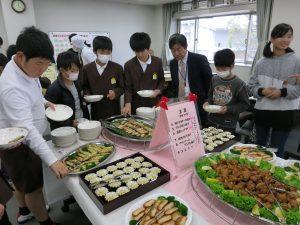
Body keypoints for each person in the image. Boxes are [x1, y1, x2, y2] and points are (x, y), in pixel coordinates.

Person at [0, 26, 68, 225]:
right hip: (19, 144)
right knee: (34, 189)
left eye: (46, 65)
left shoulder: (25, 69)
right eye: (39, 64)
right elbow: (27, 130)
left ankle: (24, 211)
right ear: (21, 56)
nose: (41, 70)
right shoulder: (11, 86)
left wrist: (44, 102)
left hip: (24, 140)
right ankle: (46, 222)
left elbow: (33, 93)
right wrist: (52, 160)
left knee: (22, 184)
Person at [248, 23, 300, 158]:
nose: (285, 40)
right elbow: (251, 86)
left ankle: (275, 178)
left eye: (289, 36)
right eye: (281, 36)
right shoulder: (261, 62)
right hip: (263, 111)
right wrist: (262, 91)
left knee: (277, 150)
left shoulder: (297, 61)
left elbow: (299, 89)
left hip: (285, 113)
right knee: (259, 148)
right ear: (271, 38)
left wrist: (281, 92)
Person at [166, 33, 212, 126]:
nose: (176, 53)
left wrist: (208, 100)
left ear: (186, 46)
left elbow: (209, 83)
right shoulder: (173, 63)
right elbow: (175, 84)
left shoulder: (199, 59)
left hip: (197, 103)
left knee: (198, 129)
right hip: (179, 103)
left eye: (178, 49)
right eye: (173, 51)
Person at [203, 49, 250, 133]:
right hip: (212, 120)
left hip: (228, 124)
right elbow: (210, 95)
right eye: (218, 69)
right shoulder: (214, 79)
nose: (220, 71)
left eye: (223, 69)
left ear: (232, 65)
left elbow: (245, 104)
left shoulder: (239, 84)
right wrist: (207, 102)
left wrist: (228, 109)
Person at [122, 32, 165, 115]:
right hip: (136, 104)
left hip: (153, 103)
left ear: (148, 48)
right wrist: (127, 103)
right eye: (136, 51)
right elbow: (127, 87)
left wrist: (159, 90)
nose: (140, 54)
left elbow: (161, 80)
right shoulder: (129, 65)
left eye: (142, 51)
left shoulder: (157, 62)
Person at [82, 36, 124, 120]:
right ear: (94, 51)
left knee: (113, 129)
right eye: (102, 52)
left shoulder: (117, 68)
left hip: (113, 109)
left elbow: (122, 87)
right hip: (96, 109)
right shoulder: (87, 69)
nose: (105, 55)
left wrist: (115, 93)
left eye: (108, 52)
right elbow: (84, 86)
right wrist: (88, 95)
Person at [45, 51, 90, 130]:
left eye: (77, 70)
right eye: (72, 71)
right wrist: (70, 123)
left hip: (82, 123)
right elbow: (50, 115)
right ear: (62, 70)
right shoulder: (54, 89)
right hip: (64, 130)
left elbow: (79, 102)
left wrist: (86, 99)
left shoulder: (78, 83)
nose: (76, 73)